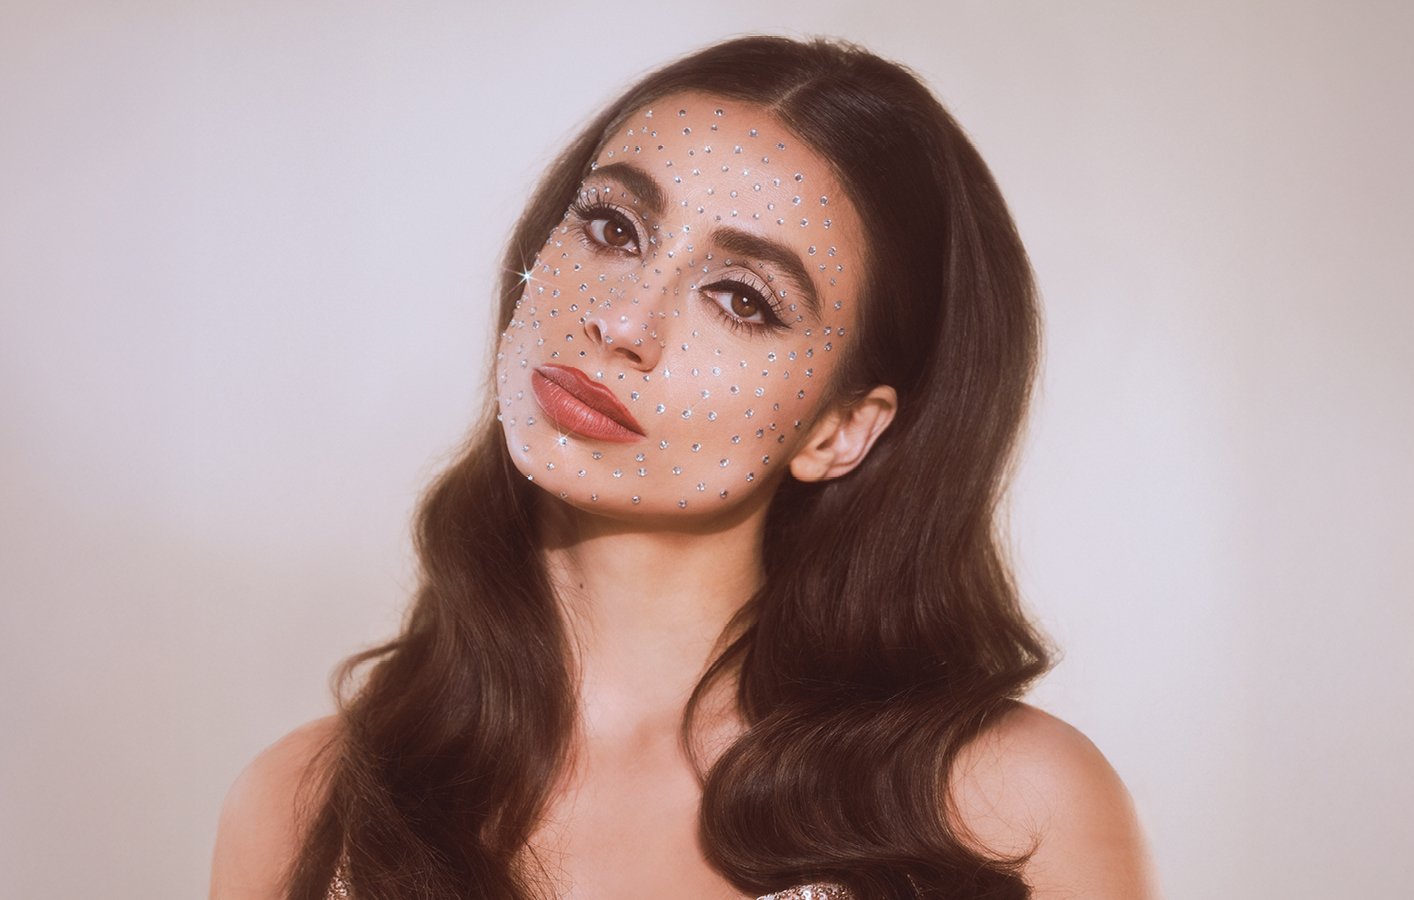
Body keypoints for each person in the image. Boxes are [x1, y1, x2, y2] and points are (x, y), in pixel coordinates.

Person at [209, 35, 1154, 900]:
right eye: (613, 228)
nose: (622, 321)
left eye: (741, 298)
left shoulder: (1009, 811)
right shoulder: (303, 808)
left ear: (841, 430)